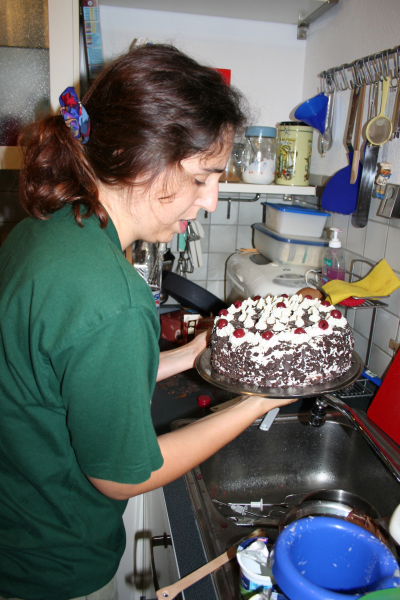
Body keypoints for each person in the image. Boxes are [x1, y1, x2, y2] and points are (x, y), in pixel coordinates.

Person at [0, 44, 296, 600]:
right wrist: (258, 402)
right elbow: (123, 478)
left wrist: (189, 355)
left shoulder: (50, 228)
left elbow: (67, 378)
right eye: (203, 178)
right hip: (50, 563)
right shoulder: (112, 296)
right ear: (141, 160)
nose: (211, 201)